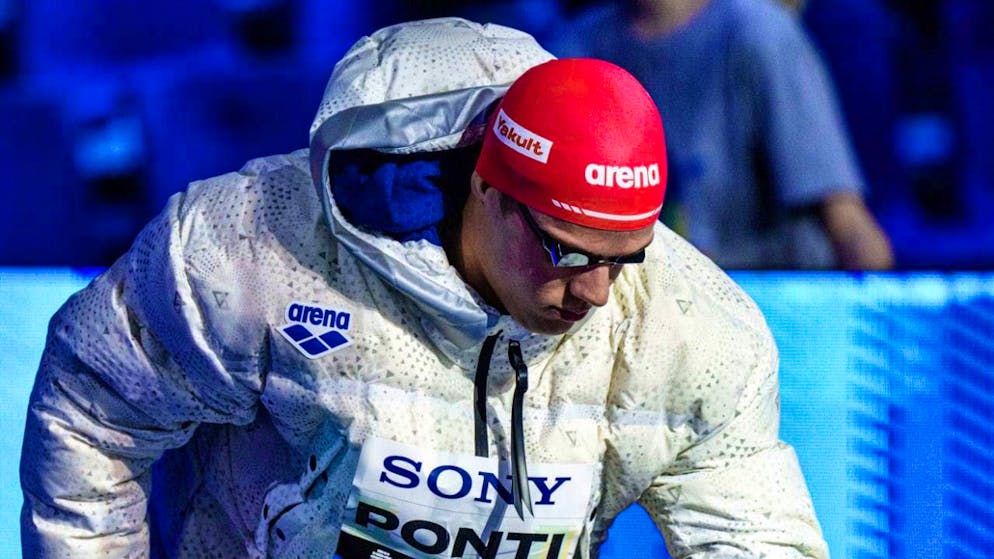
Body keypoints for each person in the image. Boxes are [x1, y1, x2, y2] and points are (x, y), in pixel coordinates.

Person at [20, 17, 828, 558]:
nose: (597, 294)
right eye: (567, 251)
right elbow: (92, 411)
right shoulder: (252, 248)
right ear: (486, 186)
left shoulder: (692, 332)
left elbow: (755, 535)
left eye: (627, 256)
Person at [552, 0, 894, 269]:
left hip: (767, 300)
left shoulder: (759, 32)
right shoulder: (578, 44)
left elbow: (843, 216)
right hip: (640, 293)